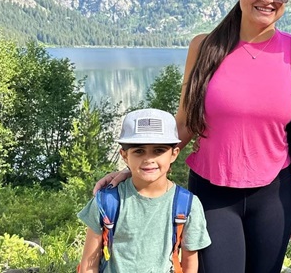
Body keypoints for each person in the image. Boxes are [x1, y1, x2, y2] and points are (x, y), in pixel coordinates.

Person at [94, 0, 291, 273]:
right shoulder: (204, 47)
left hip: (274, 196)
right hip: (212, 194)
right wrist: (141, 165)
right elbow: (185, 124)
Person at [78, 108, 211, 273]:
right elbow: (88, 265)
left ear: (174, 154)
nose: (149, 159)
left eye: (159, 150)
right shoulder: (107, 202)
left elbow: (190, 264)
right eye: (139, 151)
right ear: (125, 156)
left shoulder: (188, 205)